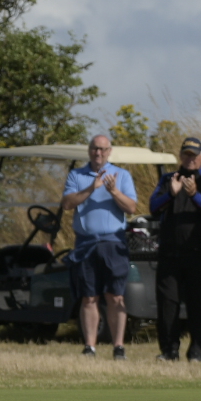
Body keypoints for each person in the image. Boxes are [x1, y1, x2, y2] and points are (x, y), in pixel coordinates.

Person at [61, 134, 138, 359]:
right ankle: (90, 346)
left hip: (113, 243)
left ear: (109, 151)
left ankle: (118, 346)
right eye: (95, 149)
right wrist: (90, 189)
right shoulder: (76, 175)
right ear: (89, 151)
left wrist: (113, 191)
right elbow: (66, 203)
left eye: (103, 149)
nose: (99, 153)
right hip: (86, 243)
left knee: (115, 296)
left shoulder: (122, 175)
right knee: (89, 297)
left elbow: (131, 208)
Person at [148, 137, 201, 362]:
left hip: (199, 254)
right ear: (181, 156)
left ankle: (196, 350)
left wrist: (193, 195)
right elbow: (153, 208)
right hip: (170, 254)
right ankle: (169, 350)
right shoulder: (169, 179)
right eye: (187, 154)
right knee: (167, 304)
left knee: (197, 304)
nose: (190, 159)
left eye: (195, 155)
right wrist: (171, 193)